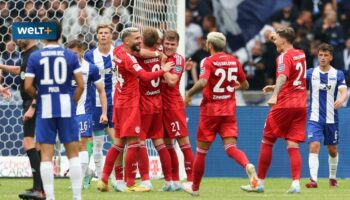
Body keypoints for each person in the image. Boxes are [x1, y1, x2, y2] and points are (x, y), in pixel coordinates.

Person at [97, 27, 173, 192]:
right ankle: (131, 183)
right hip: (130, 105)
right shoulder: (129, 59)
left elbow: (141, 53)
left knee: (118, 143)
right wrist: (163, 70)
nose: (139, 41)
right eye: (136, 38)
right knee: (133, 143)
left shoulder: (117, 51)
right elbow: (144, 76)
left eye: (140, 38)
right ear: (127, 41)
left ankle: (103, 179)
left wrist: (154, 54)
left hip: (119, 101)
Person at [183, 32, 258, 196]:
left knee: (202, 152)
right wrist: (232, 86)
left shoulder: (207, 61)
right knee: (231, 148)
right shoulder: (234, 60)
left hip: (210, 112)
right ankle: (247, 165)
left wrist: (188, 94)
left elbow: (203, 82)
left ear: (210, 45)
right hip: (229, 111)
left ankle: (194, 188)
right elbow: (245, 84)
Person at [240, 27, 307, 193]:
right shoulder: (301, 53)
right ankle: (296, 184)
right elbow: (291, 77)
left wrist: (275, 95)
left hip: (284, 104)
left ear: (283, 40)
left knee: (267, 140)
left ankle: (260, 183)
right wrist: (275, 87)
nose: (274, 42)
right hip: (301, 105)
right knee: (292, 144)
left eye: (277, 39)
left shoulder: (283, 57)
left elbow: (283, 76)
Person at [24, 20, 84, 200]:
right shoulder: (70, 56)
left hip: (46, 107)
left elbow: (27, 86)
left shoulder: (36, 57)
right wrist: (71, 101)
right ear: (60, 35)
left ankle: (50, 197)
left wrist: (39, 97)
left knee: (46, 156)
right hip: (66, 105)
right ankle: (77, 197)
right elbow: (80, 85)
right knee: (73, 153)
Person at [0, 39, 45, 199]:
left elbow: (40, 82)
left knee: (29, 143)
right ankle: (39, 187)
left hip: (33, 102)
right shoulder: (27, 55)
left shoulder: (34, 55)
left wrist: (33, 105)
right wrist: (2, 66)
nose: (17, 39)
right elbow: (20, 70)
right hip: (29, 101)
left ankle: (39, 189)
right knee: (36, 146)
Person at [65, 39, 108, 189]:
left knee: (83, 144)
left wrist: (104, 112)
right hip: (66, 112)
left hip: (84, 111)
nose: (71, 56)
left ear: (82, 52)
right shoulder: (62, 67)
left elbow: (101, 91)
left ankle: (78, 181)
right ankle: (88, 172)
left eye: (74, 53)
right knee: (72, 147)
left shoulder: (90, 68)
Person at [136, 27, 174, 191]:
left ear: (143, 40)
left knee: (140, 142)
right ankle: (170, 181)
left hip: (144, 103)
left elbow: (139, 53)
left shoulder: (140, 55)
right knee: (159, 142)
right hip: (158, 102)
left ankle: (145, 180)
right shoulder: (160, 54)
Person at [305, 43, 348, 188]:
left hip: (331, 118)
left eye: (325, 55)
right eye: (320, 55)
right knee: (314, 145)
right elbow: (296, 86)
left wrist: (341, 100)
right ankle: (313, 180)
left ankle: (332, 177)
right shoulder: (310, 73)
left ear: (331, 57)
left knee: (332, 150)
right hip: (314, 118)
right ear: (318, 56)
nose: (322, 58)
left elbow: (343, 91)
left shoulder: (338, 74)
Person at [161, 30, 194, 190]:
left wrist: (162, 68)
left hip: (174, 106)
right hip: (159, 106)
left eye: (172, 44)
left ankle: (192, 180)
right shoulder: (158, 55)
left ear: (177, 45)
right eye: (166, 43)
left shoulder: (178, 59)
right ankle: (173, 182)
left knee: (183, 143)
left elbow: (172, 82)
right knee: (167, 144)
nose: (169, 47)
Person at [84, 24, 117, 182]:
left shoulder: (118, 54)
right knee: (97, 141)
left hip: (117, 103)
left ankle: (117, 175)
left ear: (112, 36)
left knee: (117, 141)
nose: (103, 35)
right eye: (100, 33)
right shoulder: (90, 55)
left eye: (106, 33)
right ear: (97, 36)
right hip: (96, 102)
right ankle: (100, 175)